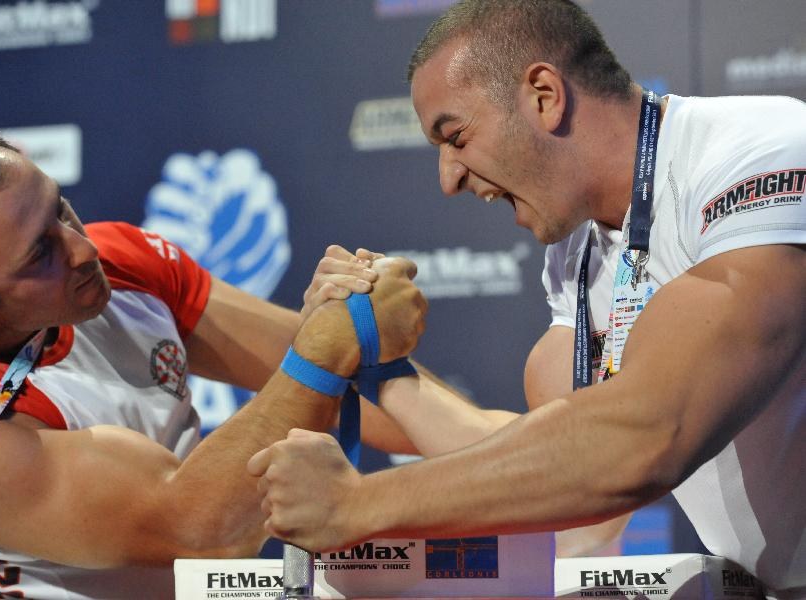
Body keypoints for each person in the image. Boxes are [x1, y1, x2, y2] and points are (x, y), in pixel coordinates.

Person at [247, 0, 806, 596]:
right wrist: (376, 358)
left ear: (544, 94)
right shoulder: (577, 252)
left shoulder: (762, 152)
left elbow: (646, 436)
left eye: (455, 136)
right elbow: (559, 468)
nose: (448, 178)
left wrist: (357, 503)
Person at [0, 121, 427, 599]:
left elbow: (373, 391)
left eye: (60, 208)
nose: (83, 249)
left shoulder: (116, 262)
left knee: (449, 570)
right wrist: (329, 340)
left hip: (203, 583)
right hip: (202, 553)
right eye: (41, 253)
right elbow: (202, 535)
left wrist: (496, 451)